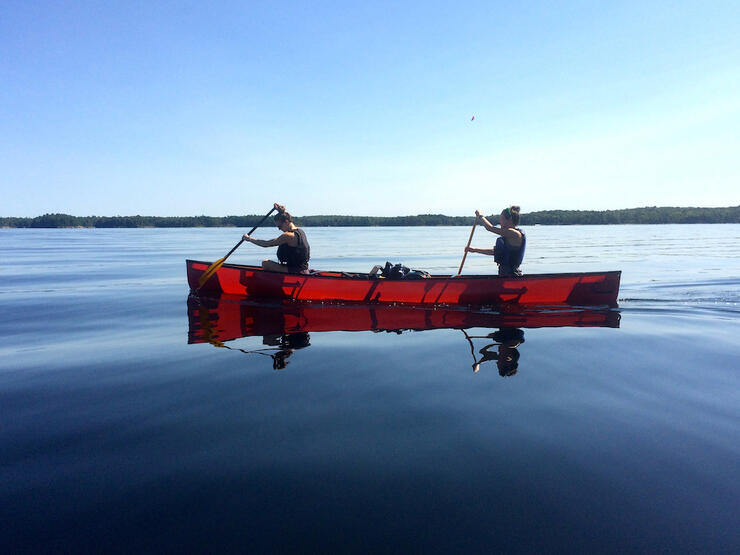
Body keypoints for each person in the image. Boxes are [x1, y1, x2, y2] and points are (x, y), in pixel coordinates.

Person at [242, 207, 310, 273]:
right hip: (302, 269)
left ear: (286, 222)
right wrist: (280, 211)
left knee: (265, 263)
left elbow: (266, 244)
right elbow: (284, 216)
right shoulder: (301, 231)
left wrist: (249, 239)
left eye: (279, 226)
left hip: (295, 271)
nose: (279, 229)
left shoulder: (288, 236)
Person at [466, 206, 525, 276]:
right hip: (504, 274)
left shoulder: (514, 233)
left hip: (512, 275)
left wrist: (480, 216)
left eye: (501, 219)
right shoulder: (508, 235)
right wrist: (475, 250)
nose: (500, 222)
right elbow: (495, 252)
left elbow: (490, 228)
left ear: (510, 220)